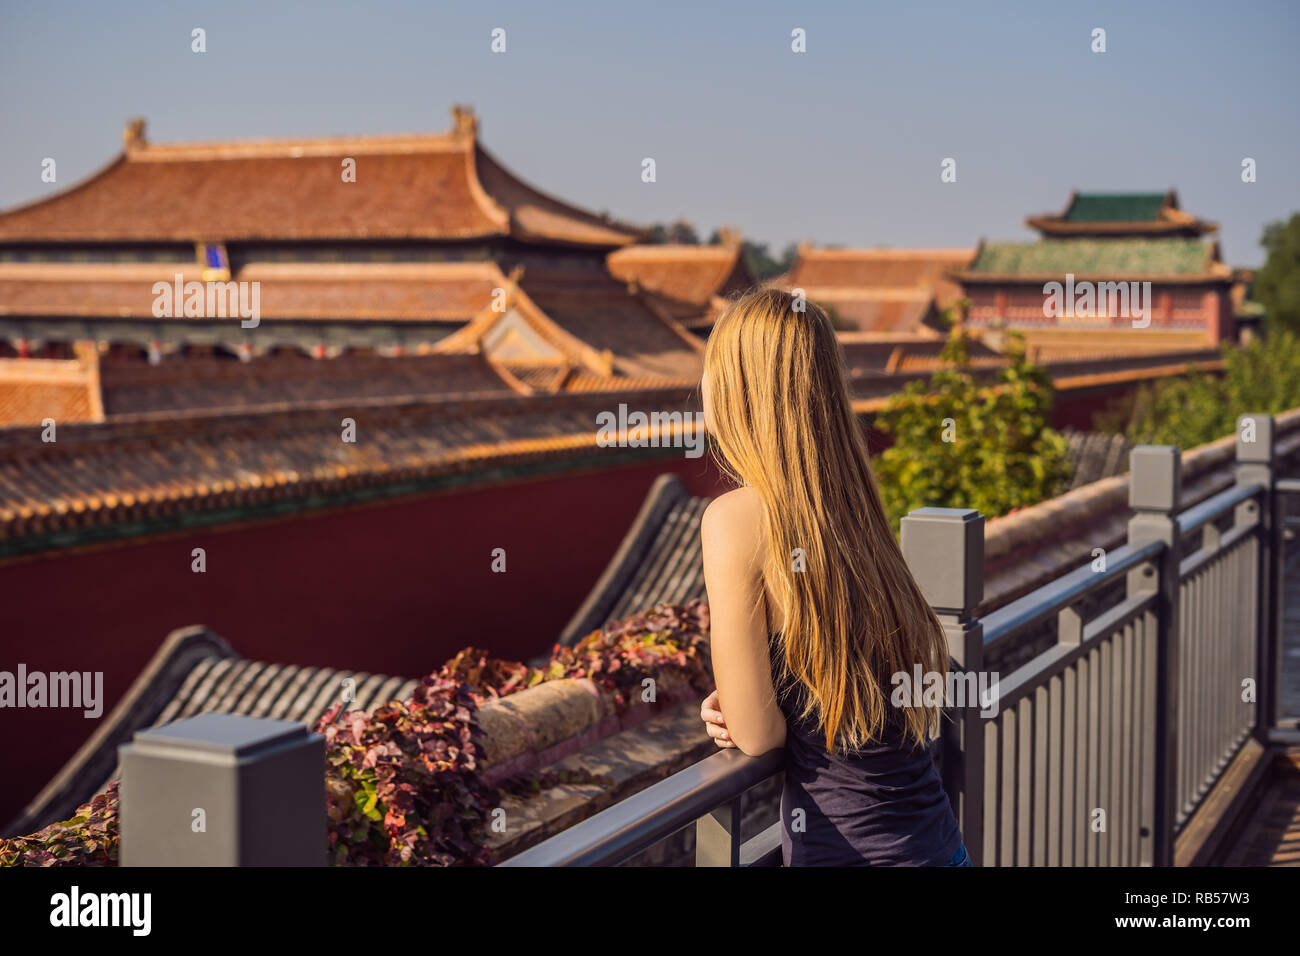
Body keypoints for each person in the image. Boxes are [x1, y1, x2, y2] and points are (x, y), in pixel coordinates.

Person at [696, 288, 971, 867]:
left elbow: (758, 737)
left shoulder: (735, 519)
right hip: (938, 848)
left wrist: (740, 705)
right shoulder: (853, 513)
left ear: (735, 393)